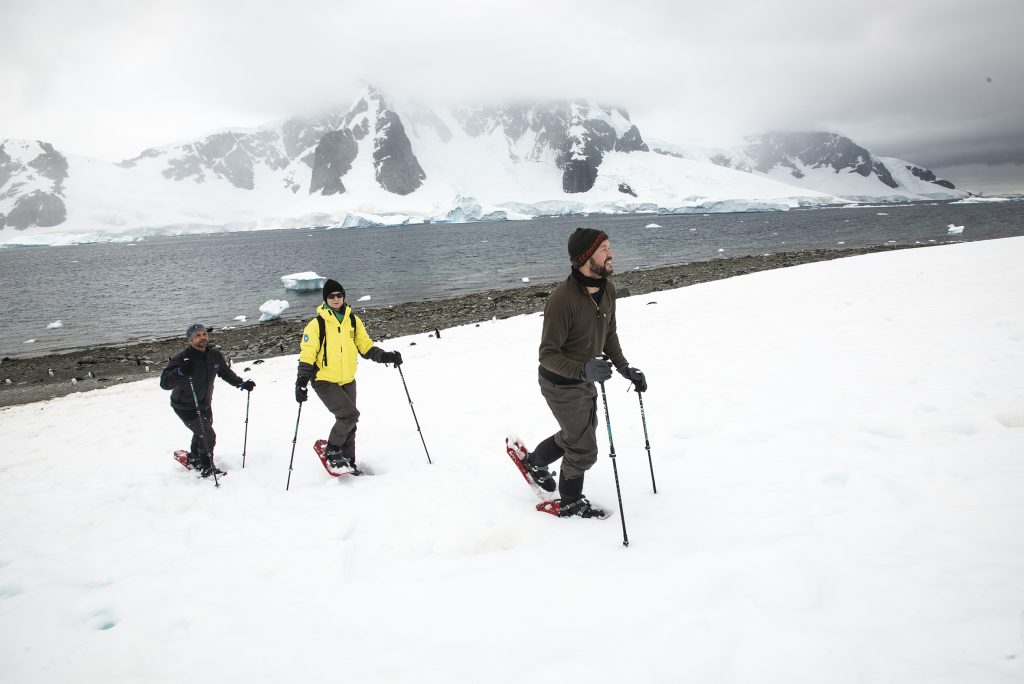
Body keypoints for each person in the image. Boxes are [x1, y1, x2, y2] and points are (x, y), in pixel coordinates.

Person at [522, 228, 648, 518]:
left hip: (585, 377)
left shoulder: (608, 289)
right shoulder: (562, 299)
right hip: (561, 383)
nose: (611, 253)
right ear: (585, 257)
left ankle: (535, 462)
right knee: (584, 449)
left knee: (577, 435)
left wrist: (624, 367)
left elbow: (609, 334)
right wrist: (583, 371)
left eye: (609, 246)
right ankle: (570, 503)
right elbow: (547, 354)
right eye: (604, 248)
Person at [295, 279, 403, 472]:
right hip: (324, 380)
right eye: (331, 296)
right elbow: (308, 354)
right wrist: (301, 381)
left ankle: (349, 461)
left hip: (347, 379)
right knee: (349, 416)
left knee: (351, 424)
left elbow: (366, 347)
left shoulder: (352, 320)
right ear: (325, 299)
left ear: (343, 296)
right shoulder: (316, 325)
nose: (336, 299)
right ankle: (333, 450)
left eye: (339, 295)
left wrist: (386, 356)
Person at [160, 323, 255, 477]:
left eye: (204, 334)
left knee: (202, 432)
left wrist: (241, 383)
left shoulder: (214, 355)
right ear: (190, 340)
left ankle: (195, 457)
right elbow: (164, 383)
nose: (202, 338)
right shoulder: (182, 359)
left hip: (204, 403)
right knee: (208, 436)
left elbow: (225, 372)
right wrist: (179, 371)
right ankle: (207, 467)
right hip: (184, 405)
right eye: (197, 335)